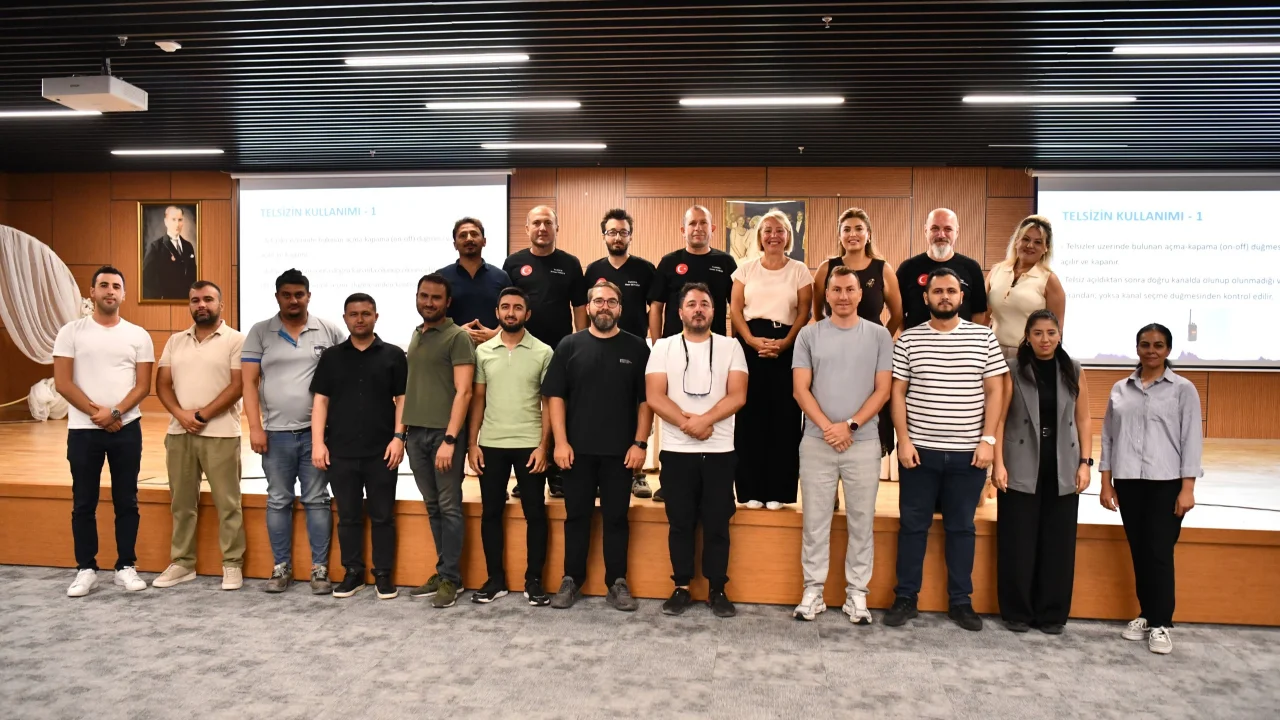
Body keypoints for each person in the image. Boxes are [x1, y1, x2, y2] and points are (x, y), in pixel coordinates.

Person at [884, 268, 1007, 631]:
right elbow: (897, 394)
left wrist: (988, 440)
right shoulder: (909, 340)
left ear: (961, 297)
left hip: (969, 455)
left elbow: (996, 391)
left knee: (961, 528)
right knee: (912, 527)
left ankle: (961, 602)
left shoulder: (983, 337)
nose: (944, 297)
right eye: (937, 291)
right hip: (919, 453)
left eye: (951, 291)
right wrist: (904, 441)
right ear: (926, 298)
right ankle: (905, 597)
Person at [791, 266, 893, 623]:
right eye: (836, 290)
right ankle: (813, 591)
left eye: (850, 289)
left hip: (862, 442)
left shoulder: (879, 335)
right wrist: (828, 428)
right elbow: (800, 389)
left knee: (862, 522)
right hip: (816, 442)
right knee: (815, 521)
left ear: (860, 294)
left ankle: (857, 595)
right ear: (827, 294)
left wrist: (850, 425)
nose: (844, 296)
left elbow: (883, 390)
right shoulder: (809, 335)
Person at [544, 281, 652, 611]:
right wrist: (560, 442)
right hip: (576, 452)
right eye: (599, 301)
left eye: (612, 302)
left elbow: (646, 401)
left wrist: (640, 443)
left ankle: (616, 582)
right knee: (576, 517)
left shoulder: (637, 348)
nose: (605, 306)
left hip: (621, 454)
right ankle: (571, 579)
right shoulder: (569, 345)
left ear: (620, 308)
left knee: (616, 518)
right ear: (588, 307)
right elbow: (555, 397)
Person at [644, 282, 747, 618]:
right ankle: (682, 586)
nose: (698, 309)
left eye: (705, 304)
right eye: (691, 304)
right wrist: (689, 424)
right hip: (677, 451)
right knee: (680, 522)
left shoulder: (731, 346)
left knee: (717, 523)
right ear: (679, 312)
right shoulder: (663, 347)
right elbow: (655, 396)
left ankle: (717, 588)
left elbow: (738, 395)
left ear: (714, 312)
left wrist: (704, 421)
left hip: (720, 450)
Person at [1099, 323, 1202, 655]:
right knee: (1140, 550)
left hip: (1166, 483)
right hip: (1128, 481)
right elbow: (1108, 438)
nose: (1151, 350)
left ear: (1168, 350)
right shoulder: (1120, 389)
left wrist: (1187, 488)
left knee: (1158, 552)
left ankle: (1161, 623)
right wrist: (1106, 482)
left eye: (1158, 345)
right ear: (1137, 348)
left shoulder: (1183, 389)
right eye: (1145, 344)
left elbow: (1191, 440)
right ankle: (1146, 614)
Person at [242, 268, 347, 594]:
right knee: (278, 500)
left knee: (317, 500)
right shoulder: (260, 332)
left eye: (299, 294)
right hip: (274, 435)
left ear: (308, 296)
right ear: (277, 297)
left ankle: (319, 570)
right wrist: (255, 428)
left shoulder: (328, 330)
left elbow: (346, 373)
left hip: (317, 436)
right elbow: (248, 383)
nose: (293, 300)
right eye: (286, 295)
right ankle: (281, 567)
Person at [54, 266, 154, 597]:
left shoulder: (138, 335)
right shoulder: (71, 332)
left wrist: (115, 413)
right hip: (84, 431)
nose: (110, 290)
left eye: (116, 286)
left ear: (123, 294)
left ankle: (126, 566)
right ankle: (86, 569)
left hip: (127, 428)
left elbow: (143, 385)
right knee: (84, 502)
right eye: (104, 285)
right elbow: (63, 382)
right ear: (92, 292)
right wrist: (98, 414)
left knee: (127, 500)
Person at [992, 309, 1091, 634]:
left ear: (1059, 335)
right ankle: (1017, 612)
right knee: (1017, 541)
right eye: (1038, 333)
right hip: (1020, 462)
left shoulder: (1073, 368)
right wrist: (998, 463)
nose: (1045, 339)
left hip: (1063, 465)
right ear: (1027, 337)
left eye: (1050, 333)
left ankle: (1052, 614)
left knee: (1058, 543)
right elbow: (999, 419)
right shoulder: (1012, 368)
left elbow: (1084, 419)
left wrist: (1085, 463)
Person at [310, 293, 408, 600]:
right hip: (340, 451)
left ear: (376, 317)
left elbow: (402, 399)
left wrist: (399, 438)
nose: (360, 319)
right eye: (353, 314)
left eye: (366, 313)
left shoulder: (394, 355)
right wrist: (317, 443)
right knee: (348, 516)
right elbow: (320, 401)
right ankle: (353, 573)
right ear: (345, 319)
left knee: (382, 516)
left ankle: (383, 574)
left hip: (382, 452)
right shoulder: (331, 357)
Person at [151, 281, 247, 592]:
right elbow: (162, 383)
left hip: (221, 434)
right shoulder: (175, 341)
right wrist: (181, 415)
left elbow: (238, 385)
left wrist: (202, 415)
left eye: (208, 299)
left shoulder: (236, 340)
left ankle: (232, 563)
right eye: (195, 300)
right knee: (181, 504)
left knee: (228, 504)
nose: (201, 305)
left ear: (221, 304)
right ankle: (182, 562)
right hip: (179, 434)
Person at [467, 287, 554, 606]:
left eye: (518, 307)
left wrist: (544, 446)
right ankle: (495, 579)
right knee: (491, 513)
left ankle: (534, 580)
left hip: (530, 444)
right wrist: (472, 443)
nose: (511, 312)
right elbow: (477, 399)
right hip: (491, 444)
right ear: (497, 313)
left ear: (527, 314)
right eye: (505, 307)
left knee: (535, 513)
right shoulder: (483, 351)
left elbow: (549, 403)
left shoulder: (543, 351)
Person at [649, 206, 738, 504]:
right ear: (683, 229)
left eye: (703, 223)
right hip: (674, 350)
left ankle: (718, 482)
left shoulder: (725, 262)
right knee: (672, 411)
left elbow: (736, 306)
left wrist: (734, 345)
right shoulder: (669, 262)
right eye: (692, 224)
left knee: (716, 412)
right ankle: (670, 482)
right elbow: (656, 307)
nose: (698, 228)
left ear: (713, 229)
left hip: (716, 349)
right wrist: (658, 346)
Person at [729, 209, 813, 509]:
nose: (773, 235)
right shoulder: (745, 270)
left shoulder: (799, 270)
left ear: (788, 236)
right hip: (750, 343)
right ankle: (750, 490)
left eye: (779, 230)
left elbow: (804, 311)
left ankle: (780, 490)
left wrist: (786, 342)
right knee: (750, 417)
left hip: (788, 344)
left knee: (785, 417)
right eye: (767, 230)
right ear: (759, 236)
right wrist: (751, 340)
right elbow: (735, 310)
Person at [812, 207, 904, 472]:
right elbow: (817, 312)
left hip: (870, 357)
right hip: (833, 354)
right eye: (847, 229)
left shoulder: (883, 268)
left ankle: (863, 477)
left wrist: (879, 341)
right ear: (840, 235)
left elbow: (897, 314)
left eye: (858, 229)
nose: (853, 234)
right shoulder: (826, 268)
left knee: (868, 412)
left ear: (868, 234)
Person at [403, 274, 476, 609]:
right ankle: (443, 570)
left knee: (449, 507)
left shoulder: (457, 337)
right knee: (433, 506)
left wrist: (450, 438)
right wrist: (403, 434)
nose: (428, 302)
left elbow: (465, 392)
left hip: (443, 436)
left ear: (447, 302)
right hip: (416, 435)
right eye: (424, 296)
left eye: (435, 297)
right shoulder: (417, 334)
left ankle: (452, 579)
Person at [502, 205, 586, 500]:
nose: (542, 228)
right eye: (536, 223)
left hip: (560, 350)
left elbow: (579, 308)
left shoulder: (570, 263)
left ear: (556, 228)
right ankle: (528, 472)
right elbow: (505, 305)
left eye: (548, 223)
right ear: (527, 228)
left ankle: (557, 472)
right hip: (521, 349)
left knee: (558, 408)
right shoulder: (513, 263)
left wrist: (582, 343)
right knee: (527, 409)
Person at [584, 208, 658, 499]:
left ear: (630, 236)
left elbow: (656, 308)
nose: (617, 237)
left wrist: (656, 345)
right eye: (612, 232)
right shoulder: (592, 270)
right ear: (604, 235)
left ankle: (637, 475)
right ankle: (598, 474)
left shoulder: (645, 269)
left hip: (635, 350)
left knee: (638, 408)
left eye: (623, 232)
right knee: (600, 410)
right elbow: (585, 310)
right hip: (599, 349)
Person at [986, 215, 1066, 359]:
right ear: (1016, 241)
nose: (1030, 246)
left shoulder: (1050, 280)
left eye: (1038, 242)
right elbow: (983, 316)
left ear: (1046, 248)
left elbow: (1056, 329)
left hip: (1030, 356)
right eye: (1026, 239)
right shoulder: (996, 271)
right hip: (993, 352)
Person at [895, 208, 988, 330]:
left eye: (948, 229)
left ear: (957, 232)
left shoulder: (971, 267)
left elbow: (979, 313)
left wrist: (968, 338)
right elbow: (897, 312)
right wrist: (909, 337)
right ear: (925, 231)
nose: (941, 235)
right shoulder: (907, 268)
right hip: (919, 341)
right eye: (935, 228)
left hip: (961, 341)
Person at [436, 216, 513, 346]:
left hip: (494, 349)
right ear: (455, 245)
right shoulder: (441, 277)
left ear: (484, 241)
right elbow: (433, 314)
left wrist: (496, 334)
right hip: (452, 349)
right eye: (463, 235)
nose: (469, 239)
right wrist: (456, 333)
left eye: (474, 234)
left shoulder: (501, 276)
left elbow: (512, 312)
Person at [141, 205, 198, 300]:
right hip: (166, 301)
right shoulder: (156, 247)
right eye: (173, 220)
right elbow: (146, 279)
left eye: (180, 220)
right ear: (166, 222)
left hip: (186, 301)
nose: (177, 224)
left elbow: (193, 275)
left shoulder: (188, 246)